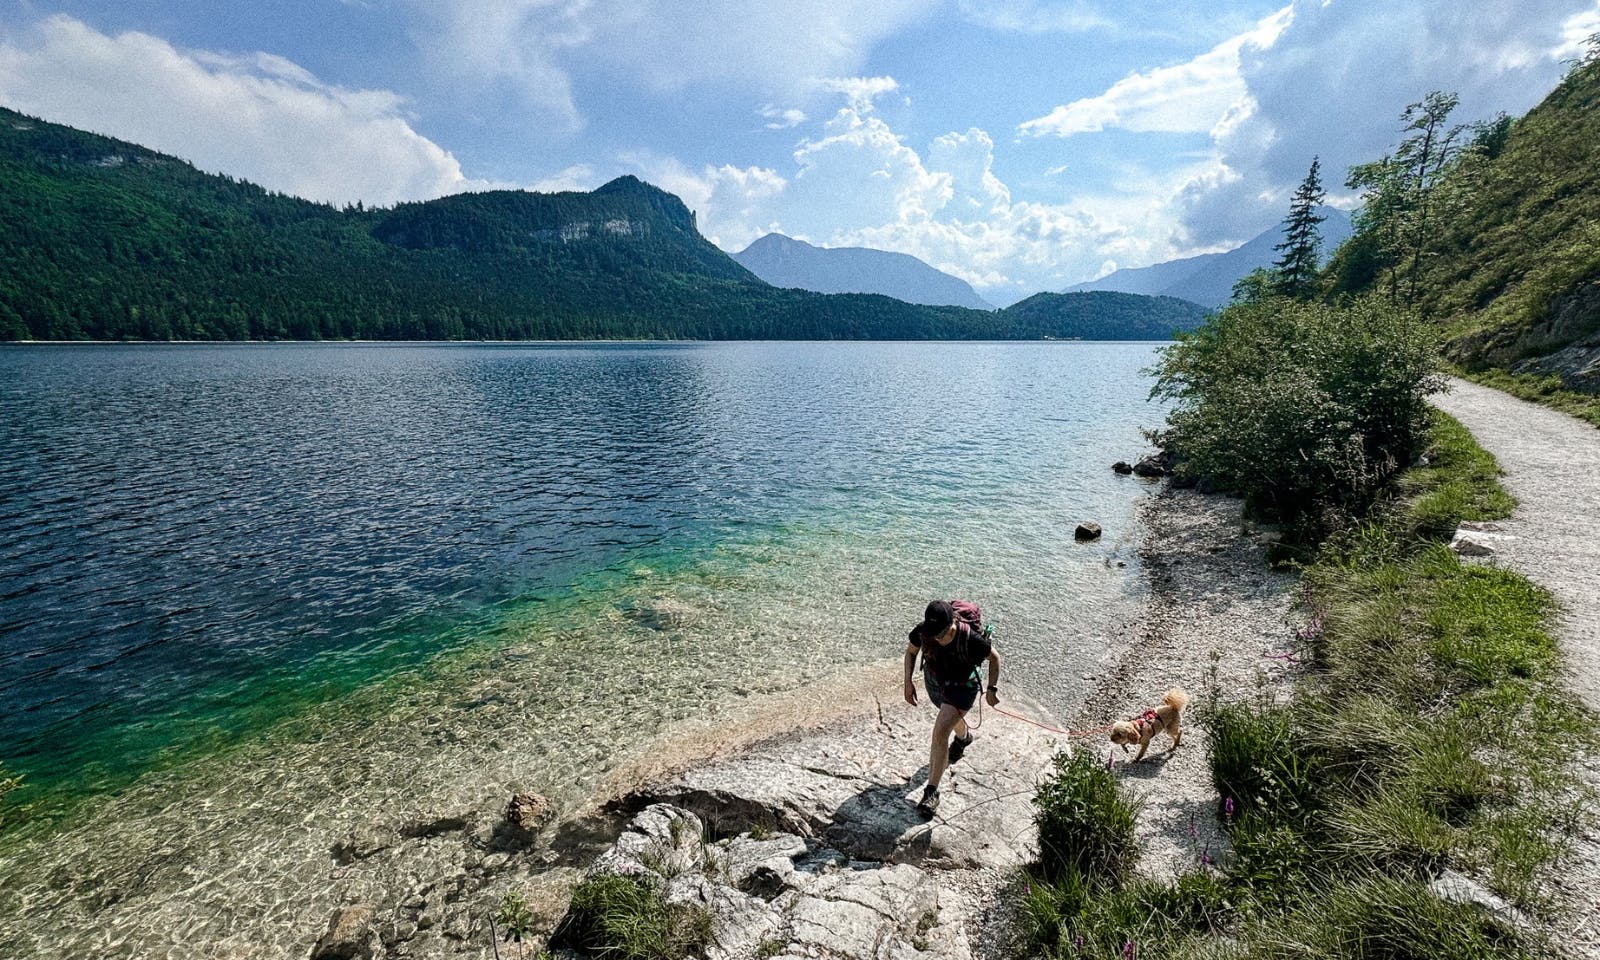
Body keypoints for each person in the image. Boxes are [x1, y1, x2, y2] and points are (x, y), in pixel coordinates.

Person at [903, 599, 1001, 818]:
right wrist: (908, 682)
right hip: (935, 681)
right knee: (947, 719)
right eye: (933, 633)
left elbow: (995, 658)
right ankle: (964, 737)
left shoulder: (971, 639)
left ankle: (932, 792)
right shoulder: (924, 630)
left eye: (941, 634)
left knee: (939, 732)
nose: (936, 637)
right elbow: (911, 652)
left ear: (951, 624)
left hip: (963, 687)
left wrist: (992, 689)